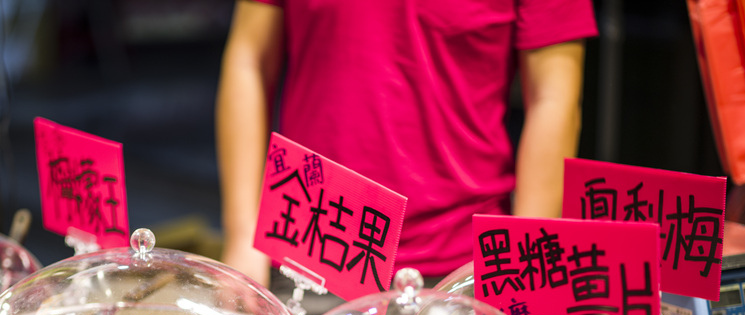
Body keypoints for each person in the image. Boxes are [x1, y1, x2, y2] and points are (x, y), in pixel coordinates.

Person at [215, 0, 599, 295]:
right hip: (308, 247)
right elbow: (249, 58)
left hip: (460, 268)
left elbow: (555, 98)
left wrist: (520, 271)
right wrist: (242, 237)